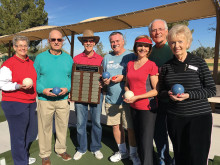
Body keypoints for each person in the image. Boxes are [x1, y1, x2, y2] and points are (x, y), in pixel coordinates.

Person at [159, 24, 216, 165]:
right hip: (175, 118)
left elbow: (211, 90)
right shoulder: (166, 66)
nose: (176, 45)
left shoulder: (199, 62)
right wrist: (169, 94)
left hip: (199, 118)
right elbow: (160, 92)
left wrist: (189, 95)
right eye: (172, 42)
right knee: (180, 155)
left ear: (188, 43)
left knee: (197, 157)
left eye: (180, 41)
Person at [34, 30, 73, 165]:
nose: (56, 42)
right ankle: (45, 154)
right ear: (49, 41)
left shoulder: (68, 58)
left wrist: (67, 88)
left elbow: (71, 78)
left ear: (62, 41)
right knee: (45, 128)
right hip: (45, 100)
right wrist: (42, 90)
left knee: (62, 126)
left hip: (63, 100)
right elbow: (35, 78)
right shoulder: (40, 58)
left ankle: (61, 149)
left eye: (59, 40)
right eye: (53, 39)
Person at [102, 31, 140, 165]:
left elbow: (137, 74)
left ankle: (133, 154)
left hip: (127, 99)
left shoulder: (131, 55)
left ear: (123, 41)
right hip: (111, 100)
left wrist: (123, 78)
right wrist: (105, 82)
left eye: (117, 41)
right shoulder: (106, 57)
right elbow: (103, 76)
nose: (115, 43)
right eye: (112, 41)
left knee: (130, 128)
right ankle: (122, 152)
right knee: (116, 126)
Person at [0, 35, 38, 165]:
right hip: (14, 103)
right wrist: (17, 86)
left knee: (30, 134)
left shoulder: (31, 63)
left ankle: (24, 157)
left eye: (25, 45)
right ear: (15, 47)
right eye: (19, 45)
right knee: (18, 137)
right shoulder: (8, 64)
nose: (23, 48)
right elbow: (2, 83)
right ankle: (20, 162)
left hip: (30, 102)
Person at [124, 35, 158, 165]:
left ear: (149, 49)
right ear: (135, 47)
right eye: (140, 45)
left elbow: (156, 91)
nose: (142, 48)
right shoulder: (130, 64)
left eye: (146, 46)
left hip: (147, 109)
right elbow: (127, 83)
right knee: (139, 139)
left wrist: (137, 97)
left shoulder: (151, 65)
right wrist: (127, 91)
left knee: (146, 141)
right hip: (133, 107)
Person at [72, 29, 104, 160]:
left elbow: (105, 78)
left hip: (96, 94)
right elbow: (73, 78)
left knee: (96, 122)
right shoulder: (76, 58)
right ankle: (82, 148)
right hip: (80, 95)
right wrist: (71, 93)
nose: (88, 43)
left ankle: (96, 147)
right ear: (83, 43)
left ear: (94, 43)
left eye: (91, 41)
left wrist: (104, 83)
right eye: (86, 41)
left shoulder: (101, 59)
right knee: (80, 123)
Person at [148, 19, 173, 165]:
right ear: (150, 34)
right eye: (153, 30)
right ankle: (163, 160)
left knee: (176, 135)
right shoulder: (149, 51)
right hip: (156, 100)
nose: (157, 32)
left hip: (174, 100)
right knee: (159, 134)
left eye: (160, 29)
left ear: (166, 31)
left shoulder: (173, 47)